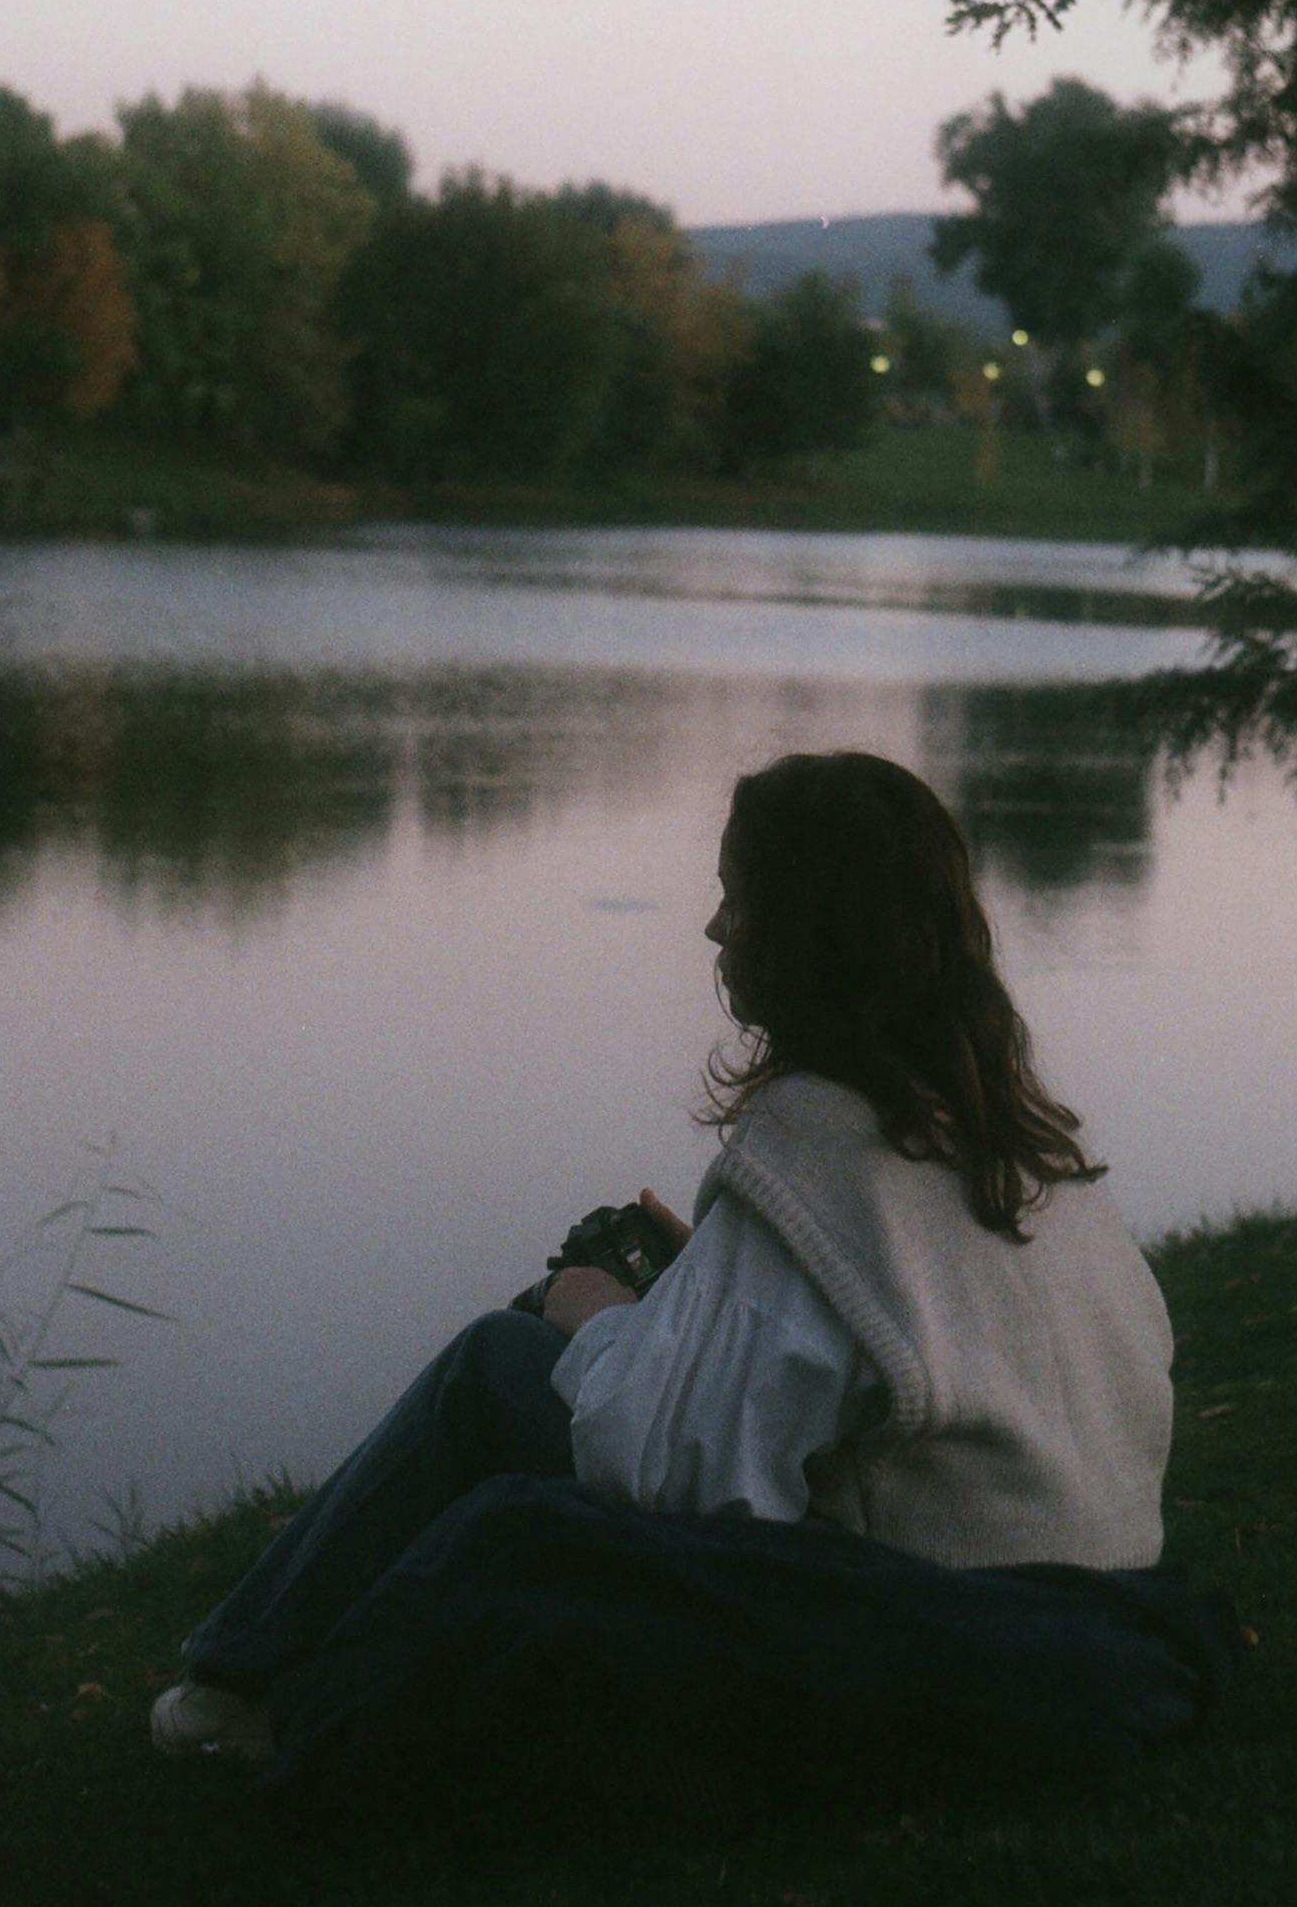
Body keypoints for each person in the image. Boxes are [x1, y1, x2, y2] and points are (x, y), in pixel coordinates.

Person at [149, 749, 1174, 1769]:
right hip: (1100, 1605)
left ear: (803, 929)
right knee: (554, 1361)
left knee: (498, 1366)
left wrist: (596, 1320)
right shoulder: (1027, 1143)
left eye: (737, 898)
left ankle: (231, 1681)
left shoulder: (820, 1149)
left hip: (929, 1631)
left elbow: (675, 1479)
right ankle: (266, 1668)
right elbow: (895, 1340)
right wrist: (706, 1300)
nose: (715, 928)